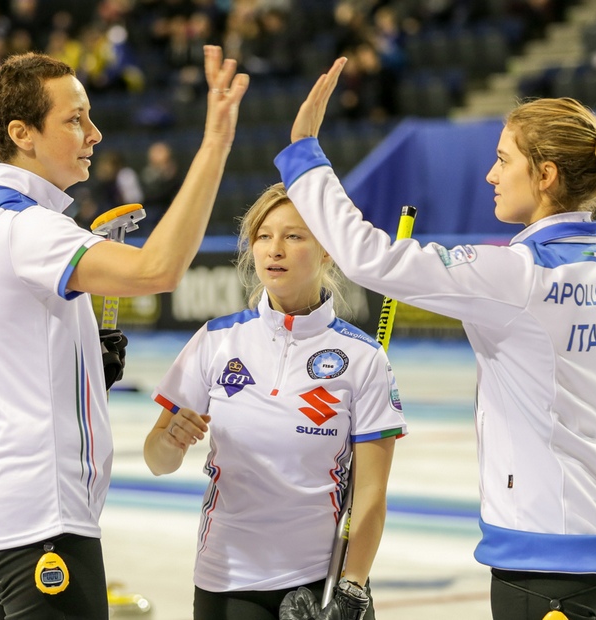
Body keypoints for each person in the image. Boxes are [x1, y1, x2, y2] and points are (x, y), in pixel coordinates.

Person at [275, 57, 596, 620]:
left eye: (504, 161)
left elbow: (368, 256)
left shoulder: (517, 274)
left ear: (545, 176)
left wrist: (304, 152)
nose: (491, 176)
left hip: (545, 561)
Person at [0, 46, 248, 619]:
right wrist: (215, 145)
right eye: (75, 119)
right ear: (22, 133)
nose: (94, 133)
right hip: (42, 524)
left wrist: (71, 368)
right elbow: (160, 269)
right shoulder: (32, 230)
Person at [143, 182, 407, 620]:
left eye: (294, 236)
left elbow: (371, 494)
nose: (274, 250)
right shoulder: (216, 340)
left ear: (326, 250)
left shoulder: (363, 358)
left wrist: (352, 587)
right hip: (226, 579)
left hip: (318, 581)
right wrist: (170, 439)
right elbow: (157, 461)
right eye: (264, 236)